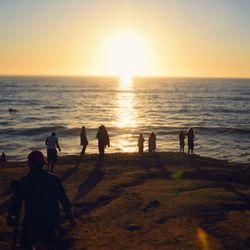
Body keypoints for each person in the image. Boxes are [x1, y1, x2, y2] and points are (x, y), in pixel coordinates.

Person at [7, 150, 76, 250]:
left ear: (31, 164)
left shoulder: (25, 181)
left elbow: (16, 202)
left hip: (32, 221)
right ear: (42, 164)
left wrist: (11, 215)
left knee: (26, 245)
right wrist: (71, 218)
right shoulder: (54, 180)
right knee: (49, 245)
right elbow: (64, 200)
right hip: (51, 221)